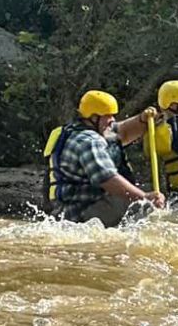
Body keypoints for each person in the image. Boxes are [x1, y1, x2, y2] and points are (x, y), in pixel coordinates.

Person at [43, 89, 165, 226]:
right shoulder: (89, 141)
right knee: (142, 203)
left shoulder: (73, 130)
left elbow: (122, 132)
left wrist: (142, 120)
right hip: (82, 216)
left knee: (139, 193)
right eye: (108, 116)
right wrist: (145, 198)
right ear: (94, 117)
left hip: (67, 213)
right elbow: (107, 179)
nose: (112, 119)